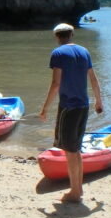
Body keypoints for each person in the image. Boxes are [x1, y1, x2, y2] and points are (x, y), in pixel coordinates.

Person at [38, 23, 104, 203]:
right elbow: (94, 79)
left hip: (69, 107)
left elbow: (56, 84)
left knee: (70, 150)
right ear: (72, 34)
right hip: (84, 106)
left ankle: (76, 192)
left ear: (56, 36)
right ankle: (77, 189)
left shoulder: (57, 54)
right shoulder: (84, 51)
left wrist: (44, 109)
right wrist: (99, 101)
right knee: (74, 149)